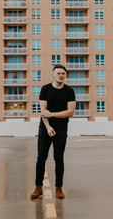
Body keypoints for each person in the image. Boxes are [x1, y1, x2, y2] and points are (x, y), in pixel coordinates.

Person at [30, 64, 76, 199]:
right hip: (45, 127)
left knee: (59, 158)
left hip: (61, 129)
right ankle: (38, 188)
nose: (61, 75)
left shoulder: (69, 91)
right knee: (41, 158)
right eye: (58, 73)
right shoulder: (45, 89)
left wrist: (53, 114)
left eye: (63, 73)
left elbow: (71, 112)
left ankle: (59, 189)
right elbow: (44, 111)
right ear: (53, 74)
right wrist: (48, 126)